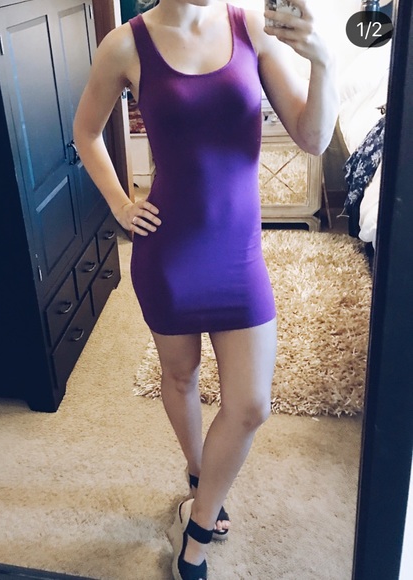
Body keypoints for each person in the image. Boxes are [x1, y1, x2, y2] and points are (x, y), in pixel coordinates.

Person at [73, 0, 338, 578]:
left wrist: (321, 60)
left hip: (239, 256)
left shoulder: (251, 28)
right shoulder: (125, 44)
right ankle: (199, 480)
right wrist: (120, 203)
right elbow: (85, 131)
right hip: (168, 253)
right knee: (180, 377)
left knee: (251, 405)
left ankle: (195, 528)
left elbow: (313, 137)